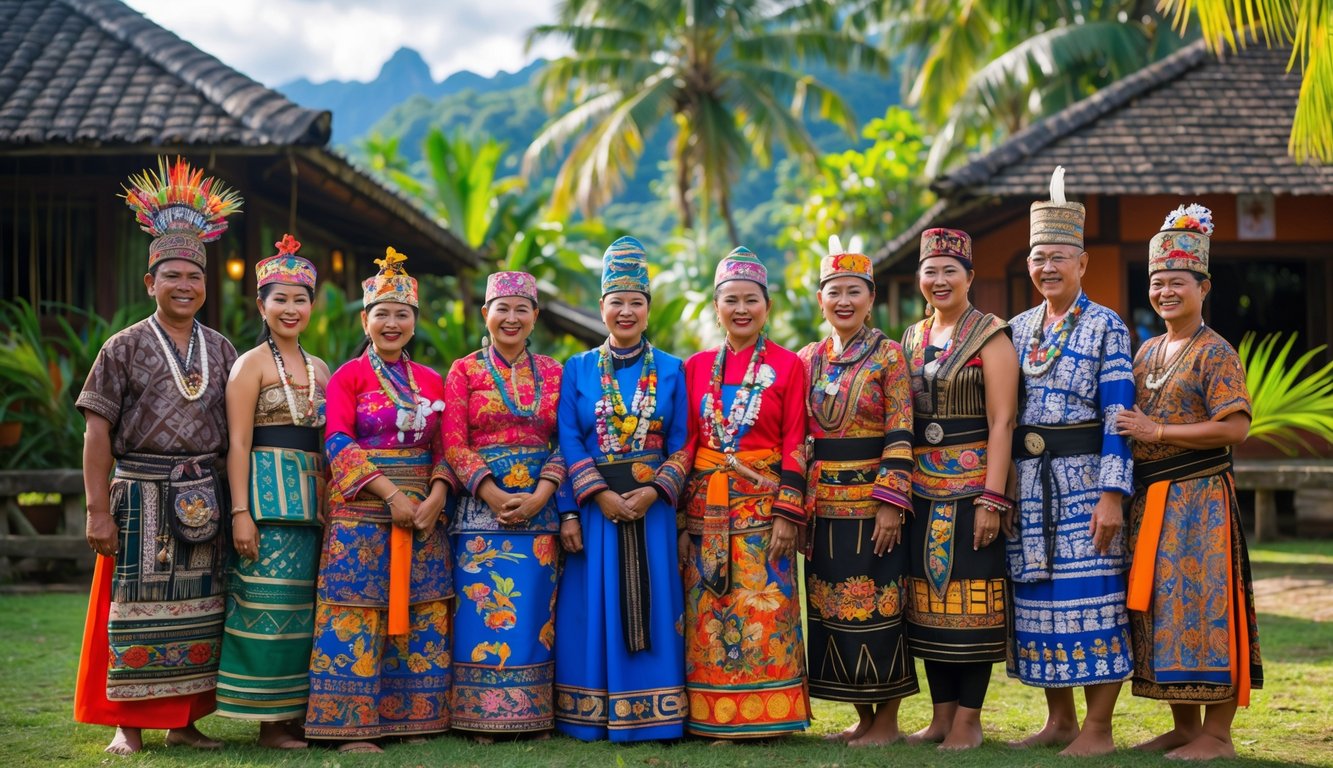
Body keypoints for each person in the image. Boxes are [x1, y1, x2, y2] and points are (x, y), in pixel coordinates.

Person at [73, 158, 242, 754]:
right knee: (135, 607)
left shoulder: (223, 350)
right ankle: (129, 725)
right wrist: (97, 511)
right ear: (151, 283)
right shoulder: (121, 347)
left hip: (203, 494)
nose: (185, 286)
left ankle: (185, 721)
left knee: (198, 606)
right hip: (139, 496)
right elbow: (97, 432)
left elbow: (238, 430)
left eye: (194, 277)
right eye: (172, 276)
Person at [1113, 205, 1262, 760]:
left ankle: (1218, 735)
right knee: (1162, 610)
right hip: (1153, 499)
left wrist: (1157, 428)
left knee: (1207, 608)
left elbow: (1237, 427)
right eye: (1157, 282)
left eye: (1177, 282)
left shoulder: (1216, 350)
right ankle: (1184, 725)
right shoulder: (1147, 350)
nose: (1166, 292)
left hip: (1201, 500)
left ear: (1203, 286)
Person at [303, 248, 454, 753]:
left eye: (402, 314)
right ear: (366, 320)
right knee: (356, 609)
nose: (392, 323)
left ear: (415, 320)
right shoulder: (348, 376)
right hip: (362, 513)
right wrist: (391, 495)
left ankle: (416, 718)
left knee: (424, 607)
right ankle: (350, 724)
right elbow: (338, 441)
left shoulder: (433, 381)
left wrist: (435, 496)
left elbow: (445, 447)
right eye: (382, 314)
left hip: (423, 514)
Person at [1008, 167, 1135, 756]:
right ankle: (1059, 720)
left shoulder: (1107, 325)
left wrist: (1113, 493)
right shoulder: (1016, 329)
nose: (1048, 267)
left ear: (1082, 263)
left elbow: (1117, 415)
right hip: (1030, 484)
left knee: (1095, 594)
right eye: (1039, 257)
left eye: (1059, 256)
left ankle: (1099, 729)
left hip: (1085, 483)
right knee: (1036, 597)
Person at [554, 237, 689, 742]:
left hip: (651, 507)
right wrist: (590, 498)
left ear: (648, 310)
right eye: (617, 302)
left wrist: (655, 492)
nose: (626, 311)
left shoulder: (673, 370)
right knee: (594, 602)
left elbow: (683, 445)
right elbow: (568, 438)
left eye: (636, 302)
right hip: (596, 508)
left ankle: (654, 712)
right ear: (602, 308)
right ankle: (591, 712)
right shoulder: (578, 368)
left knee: (655, 602)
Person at [678, 247, 810, 739]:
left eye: (750, 300)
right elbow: (686, 446)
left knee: (765, 608)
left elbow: (797, 441)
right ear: (716, 307)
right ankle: (711, 716)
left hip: (763, 510)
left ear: (766, 306)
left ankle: (772, 713)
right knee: (709, 610)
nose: (740, 309)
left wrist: (786, 514)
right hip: (705, 510)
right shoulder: (694, 368)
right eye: (730, 300)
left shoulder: (789, 366)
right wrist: (679, 524)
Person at [900, 228, 1018, 750]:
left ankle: (969, 721)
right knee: (928, 603)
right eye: (931, 270)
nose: (940, 280)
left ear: (970, 276)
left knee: (973, 604)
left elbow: (1003, 419)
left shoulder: (992, 334)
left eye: (951, 270)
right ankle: (941, 716)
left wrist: (993, 498)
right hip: (921, 490)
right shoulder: (910, 337)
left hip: (973, 489)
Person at [798, 237, 917, 746]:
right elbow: (799, 437)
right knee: (831, 610)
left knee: (882, 607)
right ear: (820, 299)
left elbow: (901, 429)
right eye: (834, 291)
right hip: (823, 509)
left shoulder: (890, 356)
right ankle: (862, 716)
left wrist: (890, 503)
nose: (843, 301)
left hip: (874, 508)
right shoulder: (806, 359)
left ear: (870, 298)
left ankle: (887, 721)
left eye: (854, 291)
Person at [217, 235, 330, 748]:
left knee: (303, 614)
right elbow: (237, 443)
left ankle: (291, 716)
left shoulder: (322, 369)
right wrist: (241, 511)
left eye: (300, 299)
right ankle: (267, 721)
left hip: (312, 506)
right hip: (265, 504)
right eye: (280, 299)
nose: (291, 308)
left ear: (312, 306)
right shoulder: (249, 365)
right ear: (261, 305)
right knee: (267, 608)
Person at [443, 271, 565, 740]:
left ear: (535, 316)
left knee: (536, 612)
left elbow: (566, 442)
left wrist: (542, 494)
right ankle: (480, 716)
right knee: (478, 613)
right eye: (503, 308)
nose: (511, 318)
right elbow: (454, 443)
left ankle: (533, 715)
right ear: (485, 315)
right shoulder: (464, 370)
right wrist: (490, 491)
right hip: (479, 514)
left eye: (521, 309)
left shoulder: (556, 372)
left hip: (541, 510)